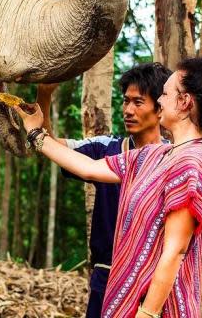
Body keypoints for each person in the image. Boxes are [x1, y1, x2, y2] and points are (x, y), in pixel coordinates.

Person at [15, 54, 202, 317]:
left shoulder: (192, 161)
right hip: (122, 299)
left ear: (184, 102)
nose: (161, 102)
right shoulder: (157, 156)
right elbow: (89, 167)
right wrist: (35, 132)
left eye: (164, 95)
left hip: (158, 309)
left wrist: (147, 313)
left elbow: (174, 250)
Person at [36, 63, 171, 318]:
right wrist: (44, 95)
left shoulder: (173, 159)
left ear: (159, 107)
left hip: (153, 282)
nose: (128, 110)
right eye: (125, 101)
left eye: (138, 102)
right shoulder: (105, 148)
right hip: (106, 275)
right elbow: (51, 145)